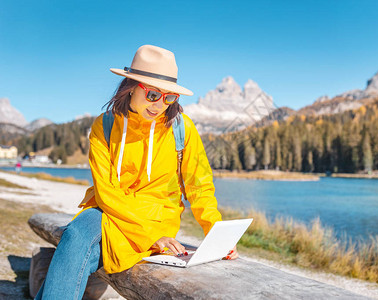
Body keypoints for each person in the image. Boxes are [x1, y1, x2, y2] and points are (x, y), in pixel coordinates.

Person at [35, 45, 238, 299]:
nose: (160, 105)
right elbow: (106, 193)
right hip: (111, 212)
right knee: (75, 236)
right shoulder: (105, 126)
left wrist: (217, 234)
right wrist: (151, 237)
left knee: (76, 247)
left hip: (157, 221)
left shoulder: (181, 129)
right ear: (130, 86)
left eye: (169, 97)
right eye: (153, 94)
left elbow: (200, 186)